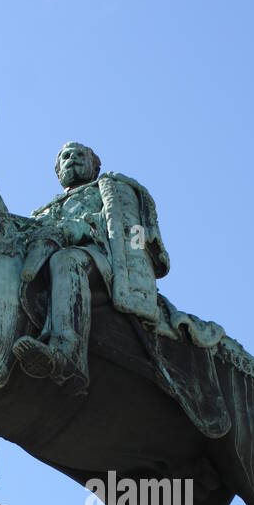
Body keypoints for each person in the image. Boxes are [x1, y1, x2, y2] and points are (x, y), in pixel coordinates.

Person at [14, 142, 170, 392]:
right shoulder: (42, 211)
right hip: (44, 258)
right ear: (58, 171)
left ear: (95, 166)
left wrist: (79, 228)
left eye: (79, 155)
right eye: (65, 156)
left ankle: (68, 355)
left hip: (101, 259)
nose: (72, 159)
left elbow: (120, 226)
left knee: (66, 260)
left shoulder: (109, 189)